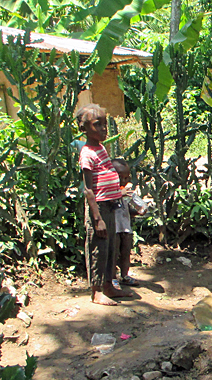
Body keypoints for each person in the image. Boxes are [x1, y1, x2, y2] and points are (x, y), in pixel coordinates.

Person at [77, 104, 132, 306]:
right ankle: (96, 291)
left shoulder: (100, 148)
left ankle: (108, 285)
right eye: (97, 124)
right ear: (84, 128)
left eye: (104, 124)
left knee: (109, 249)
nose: (103, 129)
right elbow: (88, 190)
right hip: (98, 208)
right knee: (98, 249)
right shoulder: (87, 154)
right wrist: (97, 218)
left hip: (109, 205)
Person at [111, 159, 142, 288]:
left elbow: (127, 209)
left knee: (125, 253)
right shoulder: (110, 192)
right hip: (114, 228)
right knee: (113, 254)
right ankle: (112, 278)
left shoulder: (127, 192)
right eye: (120, 177)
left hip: (126, 227)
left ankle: (125, 276)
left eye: (126, 178)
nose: (123, 181)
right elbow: (109, 205)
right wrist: (120, 194)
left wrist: (138, 210)